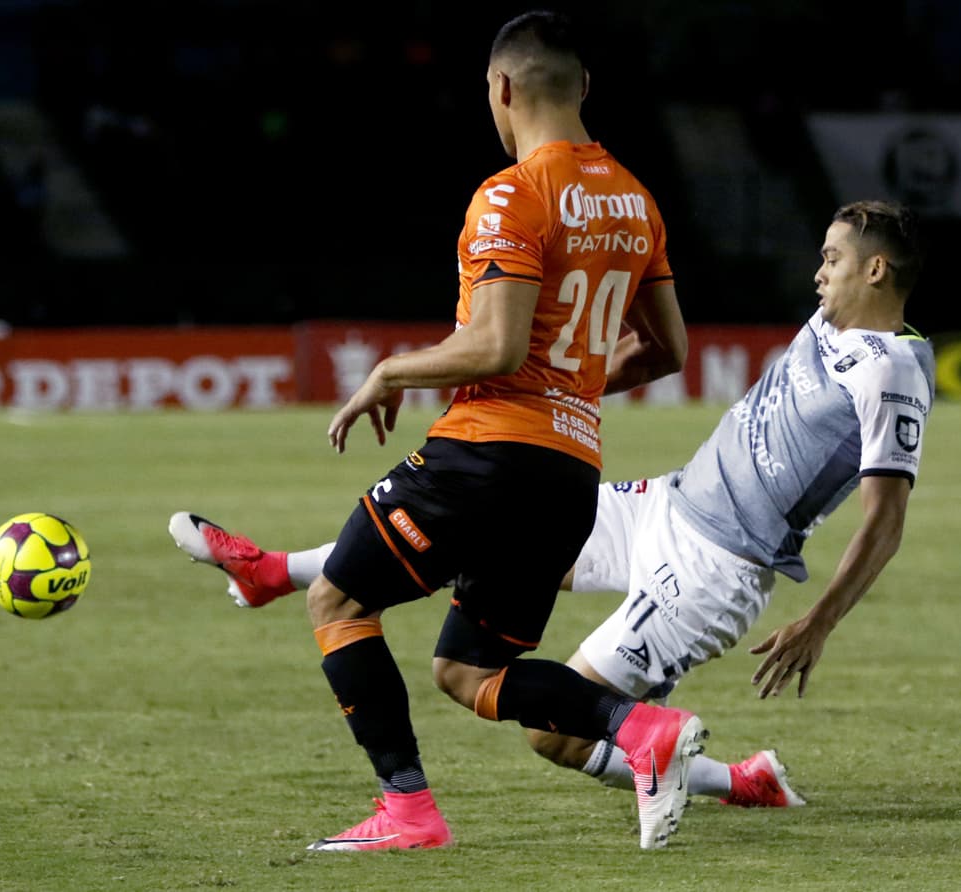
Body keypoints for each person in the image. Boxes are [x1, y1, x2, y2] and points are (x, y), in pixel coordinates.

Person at [172, 199, 933, 813]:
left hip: (714, 567)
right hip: (662, 504)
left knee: (551, 732)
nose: (817, 272)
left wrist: (820, 620)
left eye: (833, 259)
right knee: (490, 529)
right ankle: (272, 572)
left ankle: (736, 782)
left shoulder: (892, 371)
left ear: (875, 268)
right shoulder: (830, 327)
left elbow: (885, 516)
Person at [173, 10, 696, 852]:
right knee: (470, 670)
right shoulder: (637, 200)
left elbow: (493, 344)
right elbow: (669, 349)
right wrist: (570, 390)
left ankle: (408, 812)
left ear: (502, 88)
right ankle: (639, 732)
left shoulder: (511, 194)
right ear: (583, 87)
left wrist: (388, 371)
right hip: (569, 476)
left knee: (340, 600)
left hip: (485, 452)